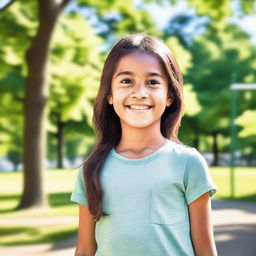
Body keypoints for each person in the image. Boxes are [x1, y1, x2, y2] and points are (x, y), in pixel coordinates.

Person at [70, 33, 218, 256]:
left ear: (169, 95)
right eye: (126, 81)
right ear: (110, 94)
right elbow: (84, 250)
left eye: (152, 82)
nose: (139, 93)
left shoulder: (189, 163)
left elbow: (205, 250)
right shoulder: (91, 169)